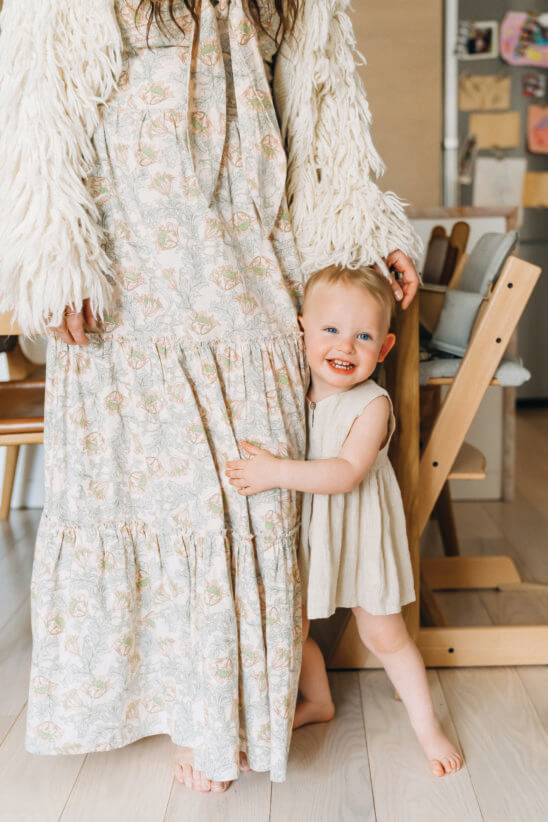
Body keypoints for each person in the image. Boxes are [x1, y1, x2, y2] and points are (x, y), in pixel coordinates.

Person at [0, 0, 421, 794]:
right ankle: (182, 704)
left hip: (248, 267)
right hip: (127, 278)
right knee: (155, 497)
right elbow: (36, 108)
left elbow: (324, 111)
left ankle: (225, 709)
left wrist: (363, 228)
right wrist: (56, 254)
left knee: (250, 499)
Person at [226, 266, 464, 778]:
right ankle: (317, 702)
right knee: (293, 629)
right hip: (312, 536)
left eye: (363, 336)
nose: (345, 346)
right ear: (302, 330)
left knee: (385, 635)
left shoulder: (371, 403)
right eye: (330, 330)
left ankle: (427, 727)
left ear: (384, 348)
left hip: (359, 536)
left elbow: (345, 473)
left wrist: (274, 472)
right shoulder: (290, 393)